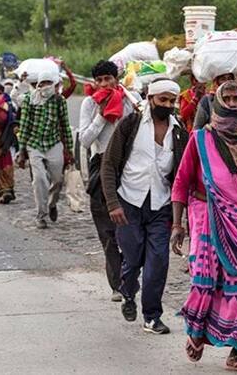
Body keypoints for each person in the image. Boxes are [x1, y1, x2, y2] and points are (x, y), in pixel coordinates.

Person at [171, 80, 237, 373]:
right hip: (205, 215)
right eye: (230, 98)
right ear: (219, 103)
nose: (235, 102)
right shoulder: (200, 139)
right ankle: (197, 331)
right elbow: (181, 181)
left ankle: (236, 352)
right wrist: (177, 224)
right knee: (205, 280)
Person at [100, 79, 189, 334]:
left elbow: (181, 176)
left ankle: (152, 316)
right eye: (163, 100)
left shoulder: (178, 131)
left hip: (161, 205)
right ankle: (128, 292)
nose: (167, 105)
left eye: (172, 101)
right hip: (128, 203)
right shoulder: (131, 125)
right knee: (133, 257)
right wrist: (113, 204)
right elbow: (109, 165)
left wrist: (179, 218)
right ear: (151, 99)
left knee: (158, 261)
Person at [79, 60, 138, 302]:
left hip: (128, 165)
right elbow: (85, 139)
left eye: (108, 79)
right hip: (101, 165)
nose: (104, 84)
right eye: (100, 80)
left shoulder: (129, 100)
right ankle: (117, 283)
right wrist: (102, 116)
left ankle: (131, 273)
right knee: (107, 230)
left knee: (130, 226)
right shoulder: (89, 104)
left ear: (116, 79)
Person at [16, 71, 74, 229]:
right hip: (34, 144)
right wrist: (22, 152)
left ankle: (52, 203)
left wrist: (69, 149)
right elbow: (25, 125)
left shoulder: (59, 101)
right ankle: (41, 215)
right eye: (43, 83)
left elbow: (65, 125)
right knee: (40, 179)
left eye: (49, 83)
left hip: (53, 143)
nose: (45, 87)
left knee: (58, 180)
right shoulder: (30, 100)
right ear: (38, 85)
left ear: (55, 85)